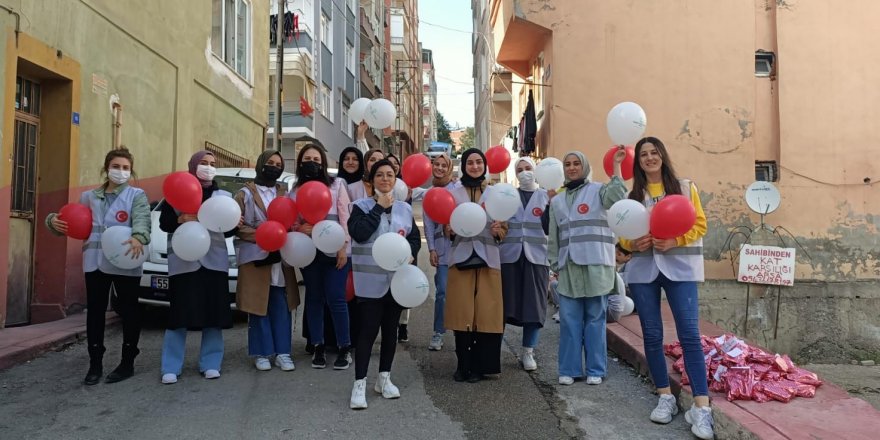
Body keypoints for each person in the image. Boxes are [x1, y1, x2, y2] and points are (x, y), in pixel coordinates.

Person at [618, 137, 714, 440]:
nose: (649, 158)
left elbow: (700, 224)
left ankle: (701, 407)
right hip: (644, 271)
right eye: (644, 154)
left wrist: (675, 240)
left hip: (680, 270)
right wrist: (632, 244)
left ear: (662, 156)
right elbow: (621, 234)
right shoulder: (631, 194)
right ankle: (665, 396)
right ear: (638, 162)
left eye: (654, 152)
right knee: (652, 334)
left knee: (688, 334)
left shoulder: (685, 188)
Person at [46, 147, 150, 385]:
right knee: (95, 313)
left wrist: (139, 236)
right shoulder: (89, 197)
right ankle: (95, 363)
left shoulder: (137, 195)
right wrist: (52, 220)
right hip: (95, 262)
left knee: (129, 310)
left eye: (125, 168)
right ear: (106, 169)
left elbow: (143, 219)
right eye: (116, 166)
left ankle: (127, 361)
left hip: (126, 258)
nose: (120, 171)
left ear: (131, 171)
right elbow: (71, 221)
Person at [548, 149, 627, 386]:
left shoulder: (599, 190)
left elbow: (618, 197)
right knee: (570, 320)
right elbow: (554, 235)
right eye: (568, 164)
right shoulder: (558, 200)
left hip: (596, 265)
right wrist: (554, 263)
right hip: (569, 267)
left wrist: (616, 167)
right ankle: (569, 369)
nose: (572, 168)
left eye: (576, 164)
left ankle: (596, 369)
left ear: (584, 167)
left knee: (595, 319)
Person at [347, 159, 421, 409]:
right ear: (371, 179)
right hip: (369, 283)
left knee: (390, 333)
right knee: (367, 332)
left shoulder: (405, 209)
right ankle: (359, 385)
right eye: (380, 175)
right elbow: (359, 233)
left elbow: (413, 239)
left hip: (396, 283)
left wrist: (410, 252)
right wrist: (378, 208)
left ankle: (384, 379)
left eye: (390, 175)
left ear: (396, 179)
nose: (386, 179)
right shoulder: (358, 207)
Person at [159, 151, 235, 383]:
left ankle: (211, 363)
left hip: (214, 263)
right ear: (192, 166)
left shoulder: (224, 195)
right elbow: (164, 224)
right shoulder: (176, 192)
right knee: (178, 315)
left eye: (212, 164)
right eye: (203, 163)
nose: (208, 167)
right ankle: (171, 366)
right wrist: (180, 219)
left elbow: (231, 230)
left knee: (213, 314)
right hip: (184, 262)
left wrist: (233, 221)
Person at [444, 148, 508, 383]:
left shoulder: (495, 194)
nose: (474, 166)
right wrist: (448, 230)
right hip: (461, 258)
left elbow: (505, 228)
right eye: (469, 162)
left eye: (478, 162)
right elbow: (445, 222)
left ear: (484, 165)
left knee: (486, 315)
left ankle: (481, 367)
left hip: (488, 259)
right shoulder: (453, 192)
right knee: (462, 315)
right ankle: (463, 365)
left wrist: (498, 230)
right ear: (463, 166)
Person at [233, 150, 300, 372]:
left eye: (278, 164)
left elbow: (292, 222)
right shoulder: (244, 194)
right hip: (255, 257)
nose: (274, 166)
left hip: (280, 259)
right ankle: (261, 352)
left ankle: (283, 352)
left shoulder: (284, 194)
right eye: (270, 162)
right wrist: (264, 235)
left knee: (281, 303)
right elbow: (238, 226)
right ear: (261, 164)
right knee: (258, 305)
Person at [290, 143, 353, 370]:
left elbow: (345, 217)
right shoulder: (295, 190)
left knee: (336, 298)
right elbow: (292, 221)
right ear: (300, 163)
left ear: (323, 163)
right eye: (308, 159)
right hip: (308, 252)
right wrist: (299, 229)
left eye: (317, 160)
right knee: (314, 299)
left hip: (335, 250)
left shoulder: (337, 184)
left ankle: (344, 347)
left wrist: (343, 246)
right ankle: (317, 345)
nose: (312, 163)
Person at [500, 157, 551, 371]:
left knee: (534, 306)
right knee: (503, 305)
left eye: (528, 168)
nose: (524, 172)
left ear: (535, 170)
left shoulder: (547, 196)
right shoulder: (507, 195)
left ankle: (528, 351)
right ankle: (494, 348)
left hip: (537, 258)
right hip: (509, 257)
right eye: (519, 169)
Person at [423, 153, 458, 351]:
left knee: (462, 292)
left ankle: (463, 329)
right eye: (437, 165)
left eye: (444, 165)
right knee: (442, 292)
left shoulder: (457, 188)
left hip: (460, 246)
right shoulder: (429, 193)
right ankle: (438, 332)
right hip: (442, 250)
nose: (440, 168)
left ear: (450, 168)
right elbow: (428, 223)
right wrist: (431, 249)